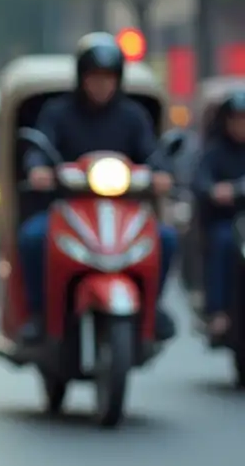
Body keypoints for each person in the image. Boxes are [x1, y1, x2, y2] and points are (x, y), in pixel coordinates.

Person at [18, 32, 177, 342]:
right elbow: (40, 147)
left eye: (108, 78)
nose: (101, 85)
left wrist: (162, 173)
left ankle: (151, 308)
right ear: (82, 78)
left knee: (166, 238)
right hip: (68, 208)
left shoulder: (132, 116)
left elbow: (152, 154)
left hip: (124, 210)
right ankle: (39, 315)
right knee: (33, 237)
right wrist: (38, 168)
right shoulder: (58, 112)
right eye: (95, 78)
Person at [192, 90, 245, 336]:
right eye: (237, 119)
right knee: (222, 242)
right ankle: (218, 311)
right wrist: (214, 191)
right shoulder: (215, 152)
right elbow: (200, 181)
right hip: (227, 222)